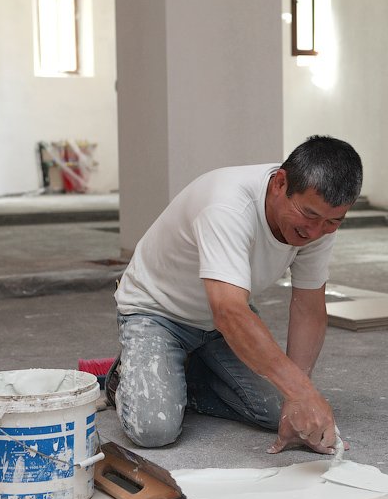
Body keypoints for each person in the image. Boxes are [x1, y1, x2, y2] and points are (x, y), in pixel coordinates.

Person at [109, 135, 363, 455]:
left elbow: (308, 307)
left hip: (220, 322)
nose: (315, 232)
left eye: (332, 221)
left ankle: (187, 374)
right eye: (309, 216)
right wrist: (301, 393)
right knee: (154, 429)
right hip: (157, 312)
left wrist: (299, 393)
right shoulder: (227, 204)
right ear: (280, 183)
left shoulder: (319, 222)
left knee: (284, 412)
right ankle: (125, 378)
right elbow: (228, 311)